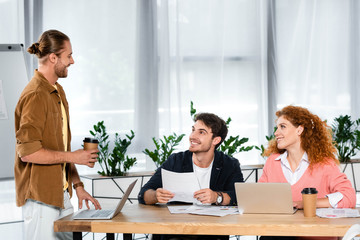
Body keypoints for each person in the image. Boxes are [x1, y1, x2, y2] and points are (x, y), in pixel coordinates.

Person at [14, 30, 102, 240]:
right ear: (53, 58)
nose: (72, 61)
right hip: (40, 198)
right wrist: (74, 157)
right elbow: (28, 153)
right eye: (68, 55)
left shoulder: (57, 92)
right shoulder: (36, 95)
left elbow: (59, 150)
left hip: (60, 194)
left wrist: (78, 186)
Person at [138, 112, 244, 240]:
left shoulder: (229, 164)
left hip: (211, 233)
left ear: (215, 140)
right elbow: (143, 194)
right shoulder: (176, 161)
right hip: (175, 232)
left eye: (201, 132)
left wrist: (217, 197)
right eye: (193, 130)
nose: (192, 136)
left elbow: (239, 197)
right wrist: (155, 196)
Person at [259, 105, 356, 240]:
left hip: (316, 235)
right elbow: (259, 197)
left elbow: (348, 197)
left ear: (299, 129)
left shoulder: (324, 163)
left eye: (282, 126)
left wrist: (307, 203)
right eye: (277, 127)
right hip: (281, 233)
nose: (276, 133)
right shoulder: (272, 162)